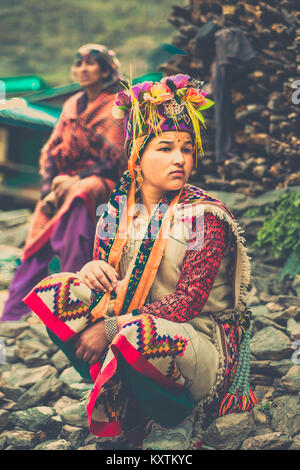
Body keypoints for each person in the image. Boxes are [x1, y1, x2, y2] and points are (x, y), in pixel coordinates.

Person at [23, 74, 257, 450]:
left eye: (186, 148)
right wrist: (90, 271)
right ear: (137, 154)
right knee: (54, 291)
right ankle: (130, 398)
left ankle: (175, 415)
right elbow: (108, 279)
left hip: (198, 344)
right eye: (165, 147)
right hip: (138, 326)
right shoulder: (118, 208)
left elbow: (185, 304)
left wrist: (110, 327)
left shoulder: (204, 216)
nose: (180, 159)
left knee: (134, 334)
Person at [1, 44, 125, 322]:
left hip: (98, 182)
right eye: (78, 63)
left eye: (90, 63)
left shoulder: (117, 104)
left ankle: (72, 303)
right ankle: (13, 315)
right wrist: (48, 190)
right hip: (62, 184)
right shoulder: (71, 104)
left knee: (82, 197)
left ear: (105, 70)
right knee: (39, 232)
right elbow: (51, 149)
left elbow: (116, 157)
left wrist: (74, 181)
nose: (82, 69)